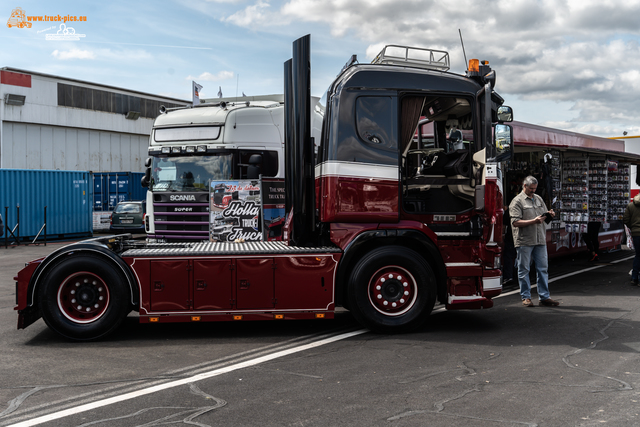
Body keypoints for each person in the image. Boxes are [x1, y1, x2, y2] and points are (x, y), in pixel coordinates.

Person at [509, 175, 560, 307]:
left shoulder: (538, 198)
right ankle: (526, 297)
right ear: (524, 186)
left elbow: (543, 217)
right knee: (524, 269)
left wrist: (549, 214)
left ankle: (544, 296)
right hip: (525, 240)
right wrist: (534, 221)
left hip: (540, 239)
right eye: (531, 188)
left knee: (543, 268)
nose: (533, 191)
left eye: (535, 188)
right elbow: (515, 222)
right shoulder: (517, 201)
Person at [623, 194, 640, 285]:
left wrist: (633, 228)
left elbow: (625, 219)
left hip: (636, 233)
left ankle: (634, 277)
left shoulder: (631, 205)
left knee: (638, 255)